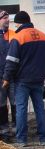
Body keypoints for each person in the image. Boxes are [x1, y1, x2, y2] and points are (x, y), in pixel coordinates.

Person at [2, 11, 45, 147]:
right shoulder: (44, 37)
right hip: (39, 79)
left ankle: (22, 139)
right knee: (40, 108)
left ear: (19, 23)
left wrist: (6, 78)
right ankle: (43, 138)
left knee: (21, 109)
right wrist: (44, 73)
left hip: (22, 80)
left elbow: (11, 61)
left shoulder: (18, 37)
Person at [0, 11, 13, 141]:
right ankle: (4, 131)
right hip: (1, 77)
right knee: (2, 104)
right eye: (4, 18)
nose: (7, 20)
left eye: (8, 18)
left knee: (15, 103)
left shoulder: (13, 34)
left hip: (13, 76)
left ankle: (16, 129)